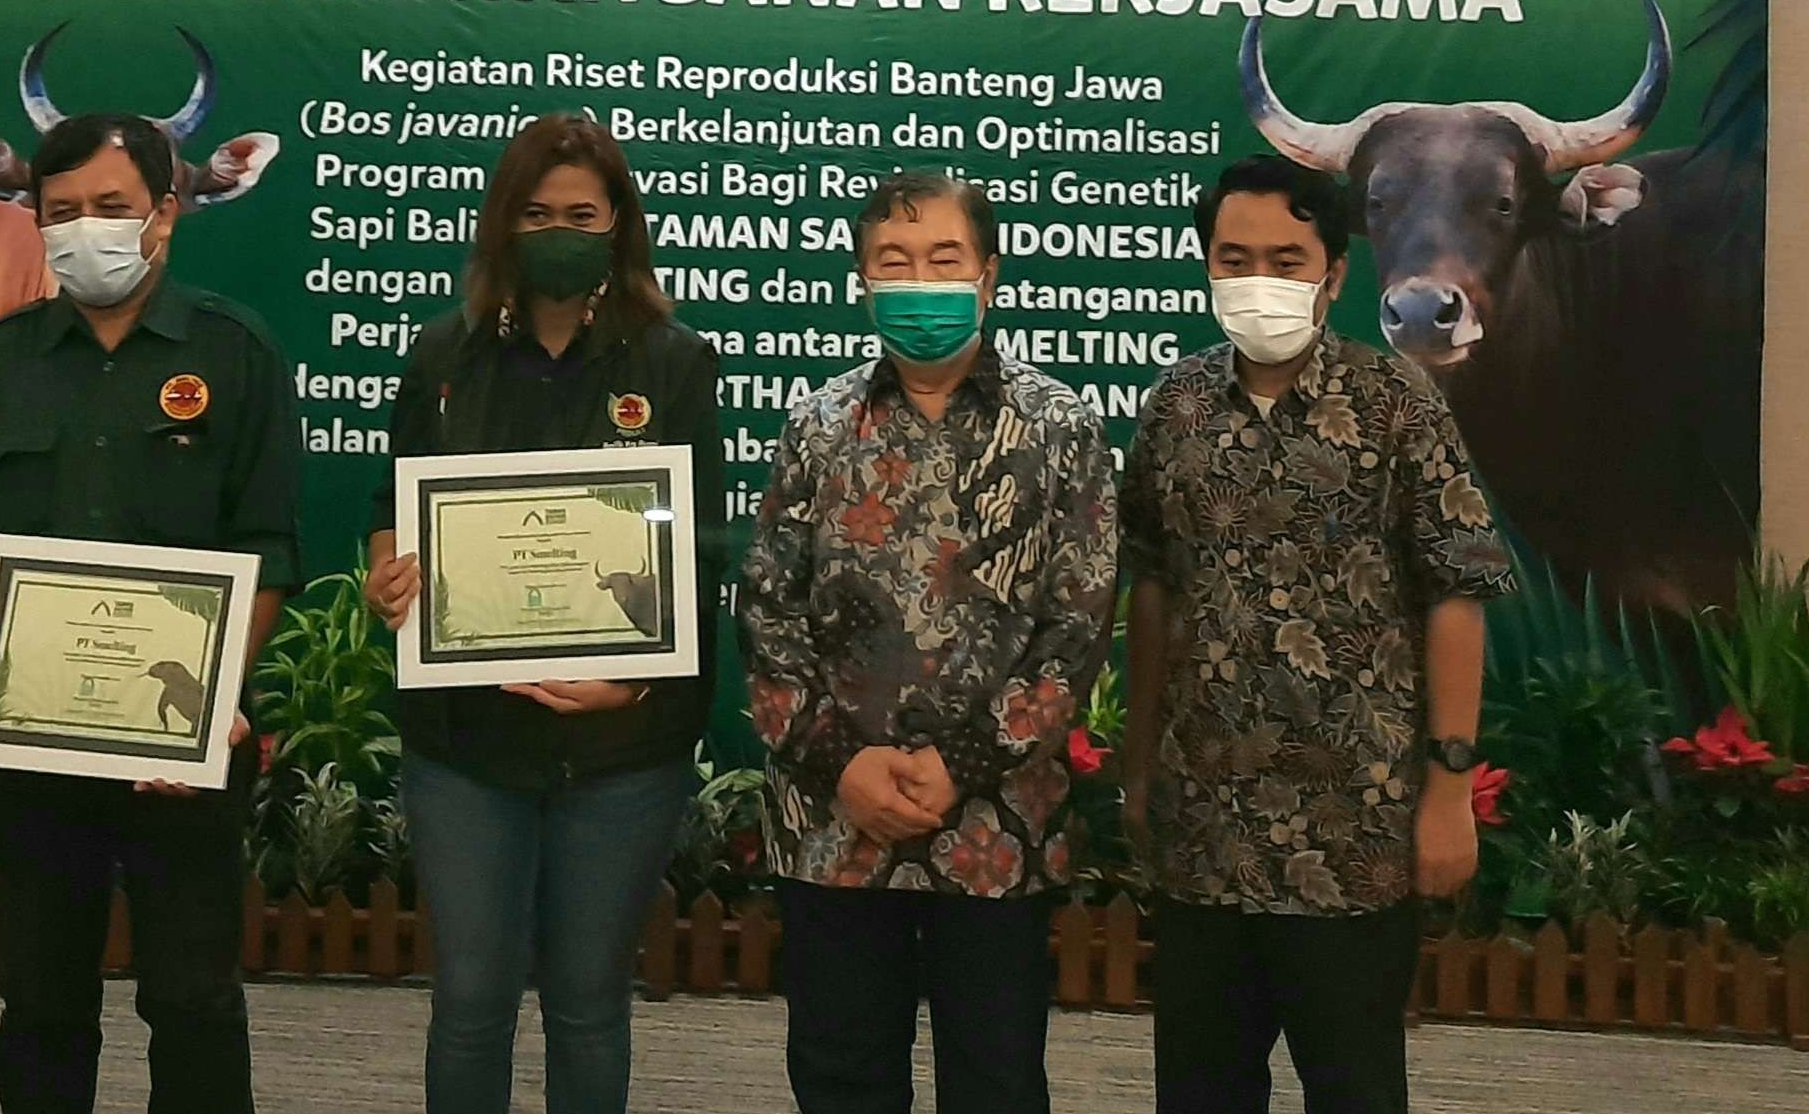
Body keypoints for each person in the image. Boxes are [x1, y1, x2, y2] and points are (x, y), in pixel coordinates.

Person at [0, 112, 300, 1114]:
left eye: (112, 208)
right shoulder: (1, 361)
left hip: (182, 737)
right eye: (62, 211)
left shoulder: (234, 351)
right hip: (27, 742)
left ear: (164, 214)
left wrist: (213, 701)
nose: (86, 228)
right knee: (38, 1003)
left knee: (192, 1000)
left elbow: (267, 547)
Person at [1121, 154, 1513, 1114]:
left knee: (1355, 1090)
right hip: (1203, 833)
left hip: (1354, 831)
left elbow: (1457, 594)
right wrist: (1138, 770)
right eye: (1235, 255)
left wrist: (1449, 789)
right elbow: (1153, 592)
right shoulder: (1173, 407)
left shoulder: (1396, 407)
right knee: (1200, 1094)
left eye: (1287, 259)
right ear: (1207, 265)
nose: (1261, 278)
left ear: (1335, 274)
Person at [360, 113, 723, 1114]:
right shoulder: (443, 357)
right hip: (468, 740)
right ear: (500, 223)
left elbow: (696, 552)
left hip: (621, 746)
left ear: (617, 225)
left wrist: (635, 672)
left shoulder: (673, 362)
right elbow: (390, 514)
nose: (556, 229)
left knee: (586, 1001)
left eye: (579, 212)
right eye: (534, 212)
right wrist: (386, 570)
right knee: (470, 999)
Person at [737, 171, 1117, 1114]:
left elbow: (1075, 632)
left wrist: (962, 763)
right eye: (893, 261)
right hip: (835, 822)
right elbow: (766, 616)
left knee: (995, 1084)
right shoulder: (816, 427)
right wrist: (844, 763)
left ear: (988, 275)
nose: (920, 280)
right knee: (840, 1078)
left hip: (996, 824)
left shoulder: (1061, 429)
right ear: (861, 279)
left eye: (944, 259)